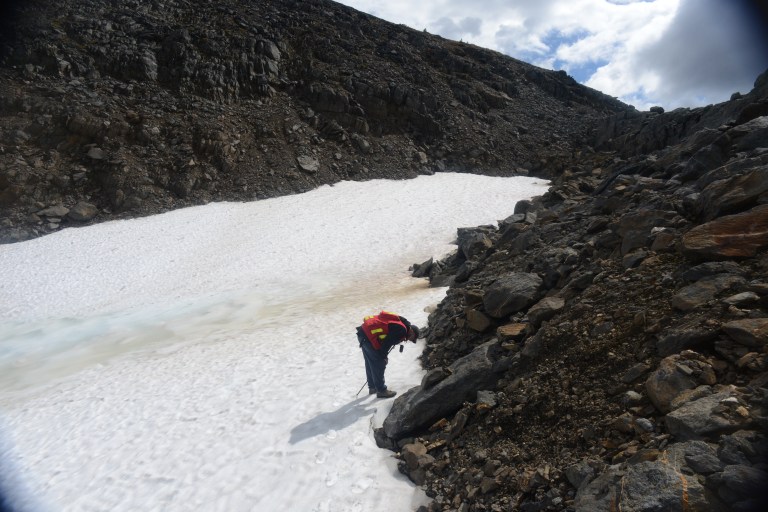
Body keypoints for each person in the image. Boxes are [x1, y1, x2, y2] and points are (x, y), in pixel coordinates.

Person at [356, 311, 419, 398]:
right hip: (367, 338)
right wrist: (384, 357)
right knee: (379, 363)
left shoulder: (402, 324)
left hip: (363, 334)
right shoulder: (402, 330)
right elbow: (386, 343)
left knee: (371, 362)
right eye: (412, 338)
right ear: (412, 332)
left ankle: (373, 387)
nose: (408, 340)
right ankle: (381, 390)